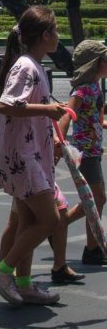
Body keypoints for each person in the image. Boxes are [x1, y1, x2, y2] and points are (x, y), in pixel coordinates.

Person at [0, 6, 65, 306]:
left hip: (32, 153)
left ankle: (24, 283)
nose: (58, 36)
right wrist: (47, 110)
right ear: (45, 36)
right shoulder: (26, 67)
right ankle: (3, 270)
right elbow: (6, 105)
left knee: (27, 219)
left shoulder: (32, 64)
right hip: (23, 157)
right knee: (50, 220)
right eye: (56, 30)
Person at [57, 39, 107, 265]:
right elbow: (68, 114)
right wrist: (58, 141)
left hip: (94, 149)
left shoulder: (96, 86)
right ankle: (60, 226)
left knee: (94, 200)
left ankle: (92, 247)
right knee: (97, 198)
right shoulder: (83, 89)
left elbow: (96, 116)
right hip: (85, 151)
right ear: (95, 64)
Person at [0, 184, 85, 284]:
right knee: (21, 222)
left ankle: (59, 266)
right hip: (31, 178)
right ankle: (5, 270)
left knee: (59, 214)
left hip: (43, 176)